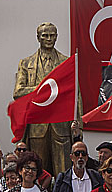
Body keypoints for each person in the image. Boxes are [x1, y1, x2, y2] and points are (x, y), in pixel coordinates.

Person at [12, 22, 73, 177]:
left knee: (64, 171)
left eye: (52, 35)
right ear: (38, 37)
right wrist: (43, 89)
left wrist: (78, 123)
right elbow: (18, 92)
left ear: (57, 37)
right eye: (45, 35)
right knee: (37, 171)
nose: (49, 38)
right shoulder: (26, 63)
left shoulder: (67, 62)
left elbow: (75, 94)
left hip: (61, 124)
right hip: (37, 124)